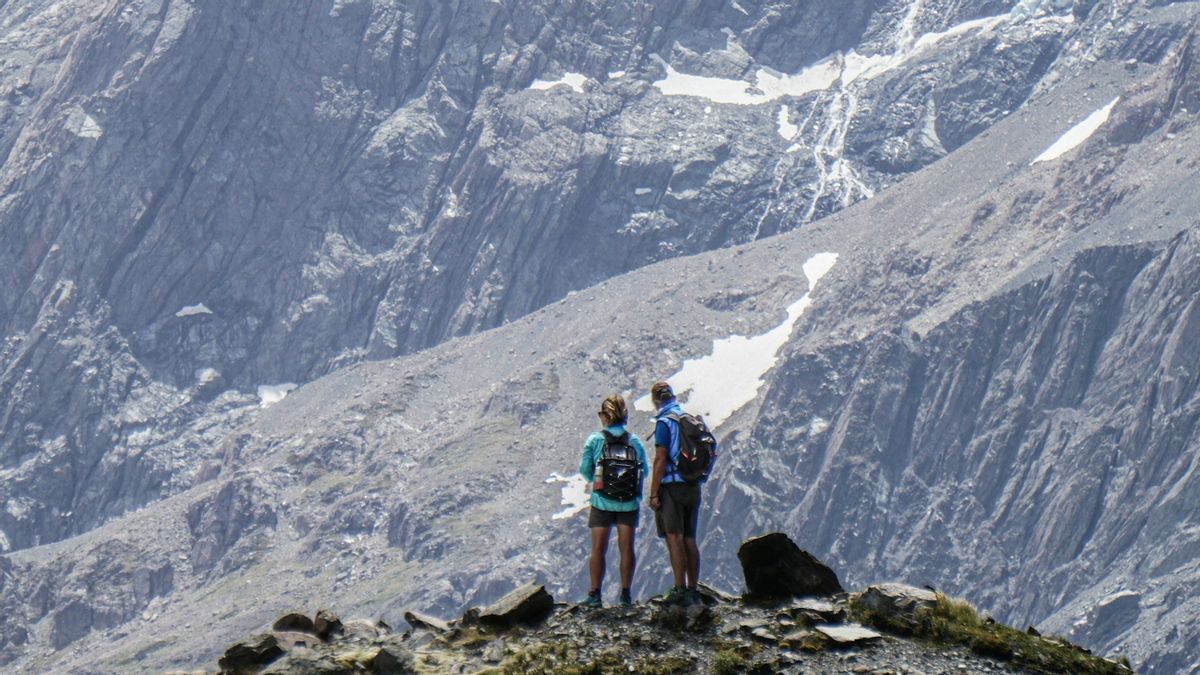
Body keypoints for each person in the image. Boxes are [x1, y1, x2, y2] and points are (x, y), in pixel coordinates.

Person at [648, 381, 715, 604]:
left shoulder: (664, 423)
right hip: (692, 486)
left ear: (655, 400)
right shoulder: (688, 419)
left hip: (672, 487)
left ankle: (679, 588)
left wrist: (654, 492)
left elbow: (660, 459)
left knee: (674, 537)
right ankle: (692, 587)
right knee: (689, 538)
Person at [578, 394, 649, 608]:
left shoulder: (595, 440)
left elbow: (584, 470)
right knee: (626, 548)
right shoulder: (634, 441)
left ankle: (594, 594)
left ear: (605, 416)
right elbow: (644, 471)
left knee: (598, 549)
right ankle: (625, 594)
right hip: (628, 503)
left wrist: (597, 481)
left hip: (601, 501)